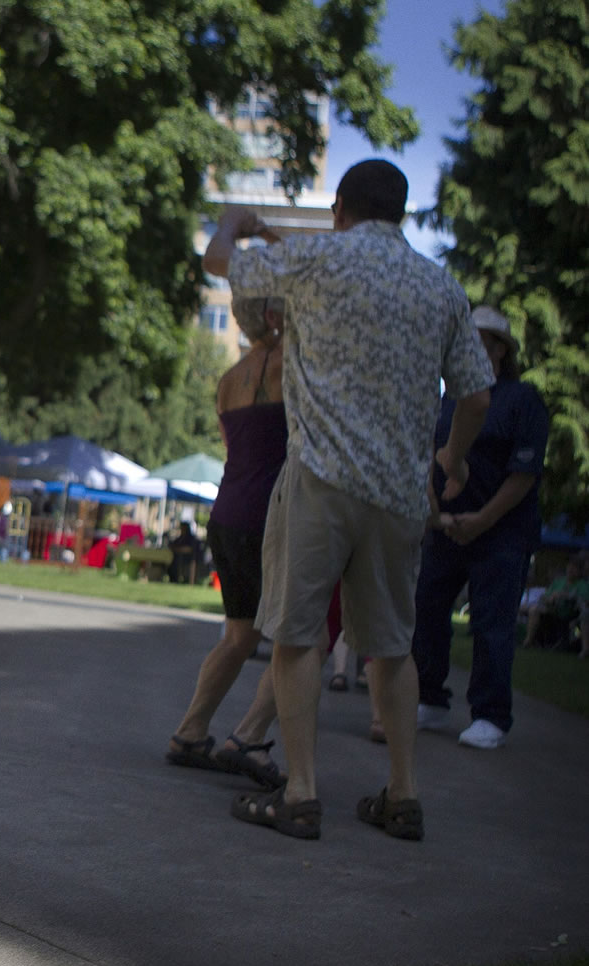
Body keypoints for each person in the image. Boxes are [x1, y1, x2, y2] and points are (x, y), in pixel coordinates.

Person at [203, 158, 495, 841]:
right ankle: (403, 793)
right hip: (399, 492)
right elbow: (475, 397)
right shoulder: (441, 287)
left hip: (320, 478)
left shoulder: (317, 262)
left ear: (339, 209)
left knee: (298, 635)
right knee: (391, 647)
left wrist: (234, 222)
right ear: (399, 213)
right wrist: (449, 458)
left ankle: (300, 794)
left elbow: (222, 261)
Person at [413, 305, 550, 750]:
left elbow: (524, 474)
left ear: (498, 350)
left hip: (502, 534)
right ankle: (428, 697)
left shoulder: (522, 400)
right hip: (448, 528)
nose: (475, 348)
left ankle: (491, 713)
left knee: (492, 623)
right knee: (428, 610)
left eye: (485, 342)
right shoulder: (447, 403)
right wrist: (439, 515)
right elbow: (431, 458)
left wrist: (483, 520)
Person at [165, 297, 287, 791]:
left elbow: (234, 445)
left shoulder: (227, 380)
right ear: (276, 316)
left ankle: (190, 731)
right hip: (268, 518)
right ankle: (248, 737)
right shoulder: (286, 367)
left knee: (239, 635)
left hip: (227, 512)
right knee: (304, 640)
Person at [522, 553, 589, 652]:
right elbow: (544, 597)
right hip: (553, 611)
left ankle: (584, 649)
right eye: (569, 566)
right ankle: (528, 641)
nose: (570, 569)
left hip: (570, 615)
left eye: (574, 567)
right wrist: (551, 598)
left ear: (579, 571)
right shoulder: (559, 581)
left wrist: (565, 595)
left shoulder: (582, 585)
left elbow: (584, 601)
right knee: (534, 609)